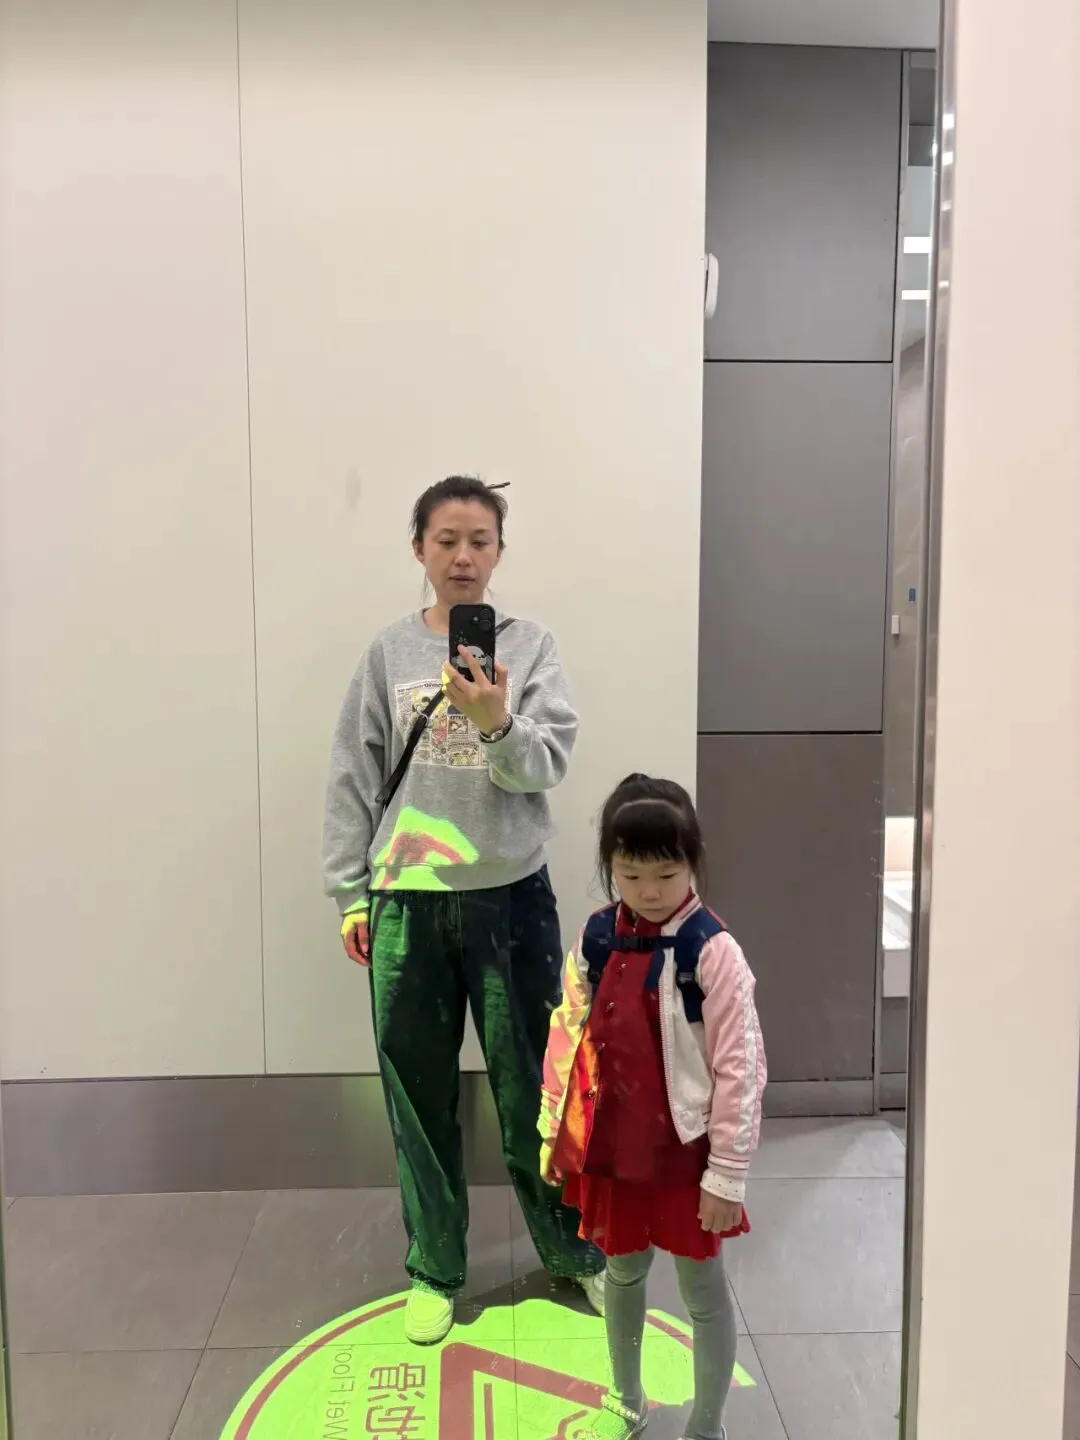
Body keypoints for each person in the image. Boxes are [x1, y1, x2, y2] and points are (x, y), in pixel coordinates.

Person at [323, 475, 605, 1345]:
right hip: (407, 899)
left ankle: (571, 1250)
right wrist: (349, 891)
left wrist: (495, 721)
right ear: (419, 549)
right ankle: (435, 1268)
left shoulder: (532, 646)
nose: (462, 556)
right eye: (446, 539)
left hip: (512, 897)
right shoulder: (387, 654)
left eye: (480, 540)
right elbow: (353, 775)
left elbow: (547, 764)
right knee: (417, 1094)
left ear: (499, 552)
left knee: (534, 1090)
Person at [538, 775, 766, 1440]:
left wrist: (727, 1175)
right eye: (630, 875)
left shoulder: (712, 952)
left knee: (702, 1290)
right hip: (615, 1148)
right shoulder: (596, 937)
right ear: (609, 866)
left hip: (686, 1155)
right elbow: (567, 1032)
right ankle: (625, 1399)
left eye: (666, 874)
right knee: (622, 1271)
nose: (649, 891)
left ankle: (707, 1425)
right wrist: (554, 1128)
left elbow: (741, 1067)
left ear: (693, 861)